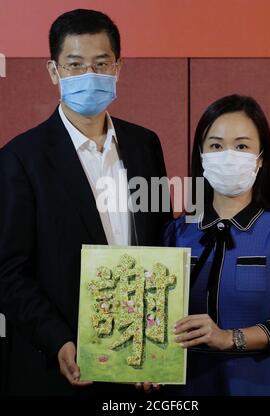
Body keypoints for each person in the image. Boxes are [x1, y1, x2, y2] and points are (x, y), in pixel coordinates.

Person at [0, 9, 170, 396]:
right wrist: (58, 339)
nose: (88, 76)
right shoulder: (20, 159)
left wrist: (155, 340)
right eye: (75, 65)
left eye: (100, 64)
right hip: (58, 366)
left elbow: (159, 245)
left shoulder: (145, 146)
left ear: (118, 68)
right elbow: (9, 271)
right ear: (53, 71)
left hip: (137, 365)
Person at [164, 94, 270, 396]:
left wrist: (228, 338)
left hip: (261, 385)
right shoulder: (174, 233)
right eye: (215, 145)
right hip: (185, 388)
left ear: (260, 157)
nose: (228, 155)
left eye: (241, 146)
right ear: (201, 155)